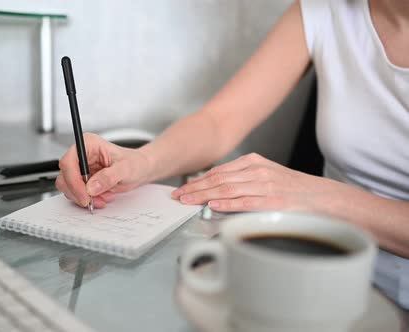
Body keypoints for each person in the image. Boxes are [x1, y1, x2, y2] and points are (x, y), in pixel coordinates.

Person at [56, 0, 409, 309]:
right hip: (329, 279)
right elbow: (219, 122)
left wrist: (315, 195)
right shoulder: (324, 8)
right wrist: (142, 161)